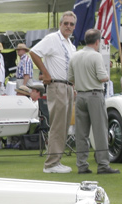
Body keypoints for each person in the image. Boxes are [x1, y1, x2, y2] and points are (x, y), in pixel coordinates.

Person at [30, 11, 78, 174]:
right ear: (60, 24)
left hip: (68, 86)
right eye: (66, 23)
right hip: (56, 85)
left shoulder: (71, 45)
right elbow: (34, 53)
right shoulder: (52, 39)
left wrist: (74, 86)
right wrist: (46, 73)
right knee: (58, 125)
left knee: (64, 126)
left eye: (71, 24)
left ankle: (56, 160)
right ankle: (51, 163)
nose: (68, 26)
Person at [68, 29, 118, 175]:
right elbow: (103, 77)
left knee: (81, 133)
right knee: (100, 131)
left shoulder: (75, 55)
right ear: (97, 42)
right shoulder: (96, 56)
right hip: (95, 94)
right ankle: (103, 164)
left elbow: (70, 78)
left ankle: (82, 165)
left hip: (80, 95)